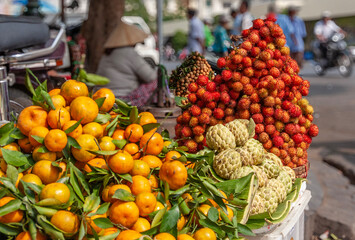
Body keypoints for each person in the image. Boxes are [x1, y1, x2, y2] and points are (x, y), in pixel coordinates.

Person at [96, 20, 157, 107]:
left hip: (102, 98)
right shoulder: (129, 52)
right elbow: (151, 77)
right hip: (122, 100)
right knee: (157, 82)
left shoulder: (107, 53)